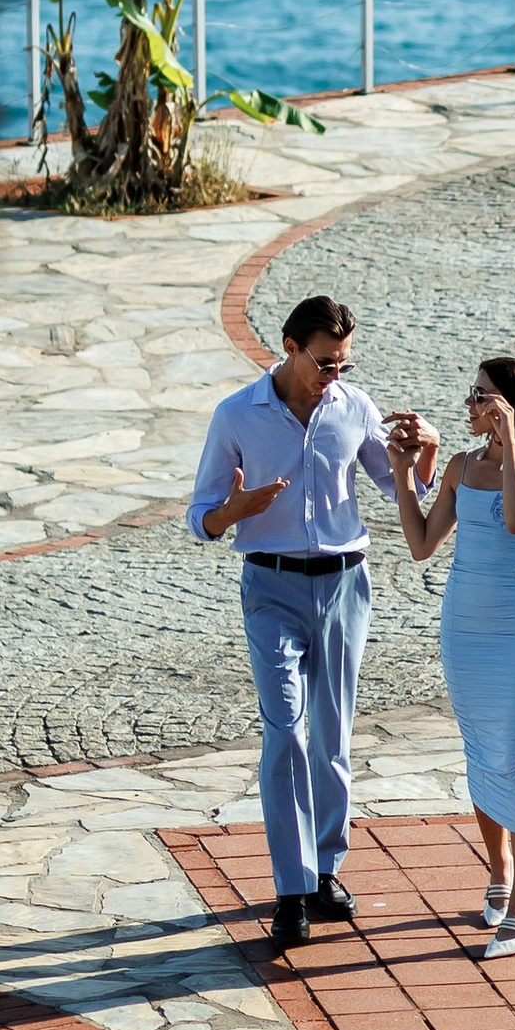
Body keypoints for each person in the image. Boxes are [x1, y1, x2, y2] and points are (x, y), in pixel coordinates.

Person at [188, 290, 436, 952]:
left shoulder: (353, 409)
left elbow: (398, 486)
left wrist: (424, 455)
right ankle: (292, 887)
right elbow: (200, 518)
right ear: (290, 347)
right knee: (285, 736)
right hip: (270, 588)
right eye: (326, 363)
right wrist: (235, 510)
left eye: (344, 365)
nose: (336, 376)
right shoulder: (238, 415)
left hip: (345, 586)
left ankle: (326, 869)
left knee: (331, 740)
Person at [389, 352, 515, 959]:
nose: (470, 404)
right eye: (472, 394)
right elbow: (421, 545)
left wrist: (514, 443)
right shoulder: (463, 466)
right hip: (464, 624)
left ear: (511, 406)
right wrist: (401, 471)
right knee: (478, 750)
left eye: (482, 396)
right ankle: (496, 874)